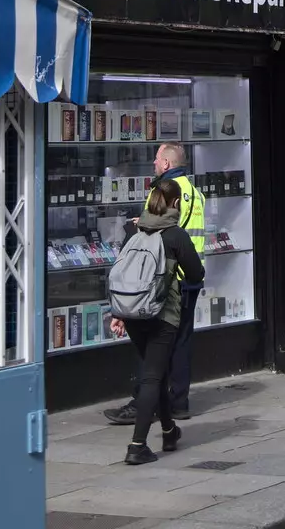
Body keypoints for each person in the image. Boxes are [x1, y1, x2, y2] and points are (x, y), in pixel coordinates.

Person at [105, 141, 206, 425]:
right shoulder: (195, 192)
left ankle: (144, 403)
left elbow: (161, 231)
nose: (153, 163)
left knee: (154, 342)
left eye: (156, 159)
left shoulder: (166, 190)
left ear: (166, 163)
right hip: (190, 275)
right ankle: (178, 402)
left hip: (166, 279)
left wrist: (140, 224)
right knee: (182, 341)